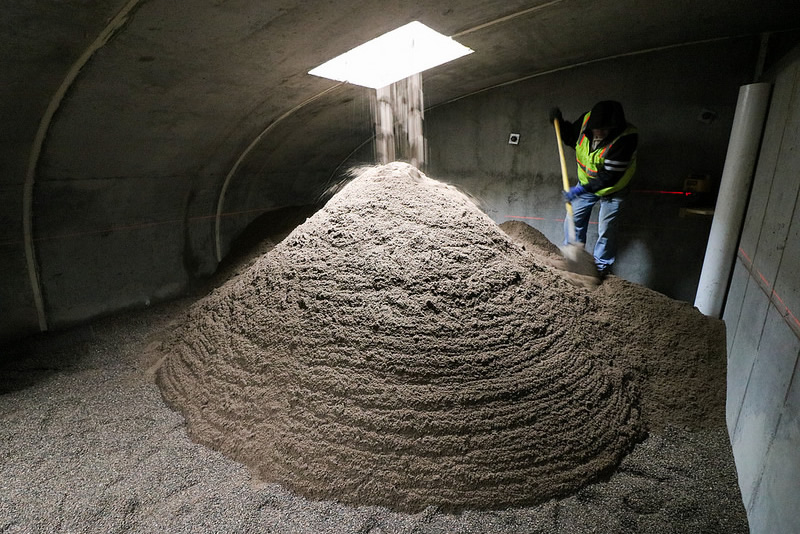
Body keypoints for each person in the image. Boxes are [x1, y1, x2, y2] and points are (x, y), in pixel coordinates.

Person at [549, 101, 638, 276]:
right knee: (573, 219)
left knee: (606, 228)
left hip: (614, 188)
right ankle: (574, 259)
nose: (600, 132)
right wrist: (558, 123)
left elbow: (609, 177)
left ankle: (601, 268)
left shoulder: (626, 138)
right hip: (586, 183)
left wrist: (579, 191)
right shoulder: (587, 122)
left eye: (605, 130)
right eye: (597, 128)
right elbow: (570, 137)